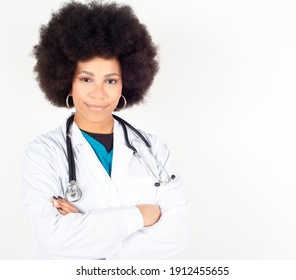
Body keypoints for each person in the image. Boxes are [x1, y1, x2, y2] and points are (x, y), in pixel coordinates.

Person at [21, 1, 189, 259]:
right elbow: (54, 239)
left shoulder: (153, 149)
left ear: (127, 82)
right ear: (66, 81)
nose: (99, 93)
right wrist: (141, 215)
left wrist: (87, 229)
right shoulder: (43, 153)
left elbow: (175, 237)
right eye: (86, 79)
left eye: (110, 80)